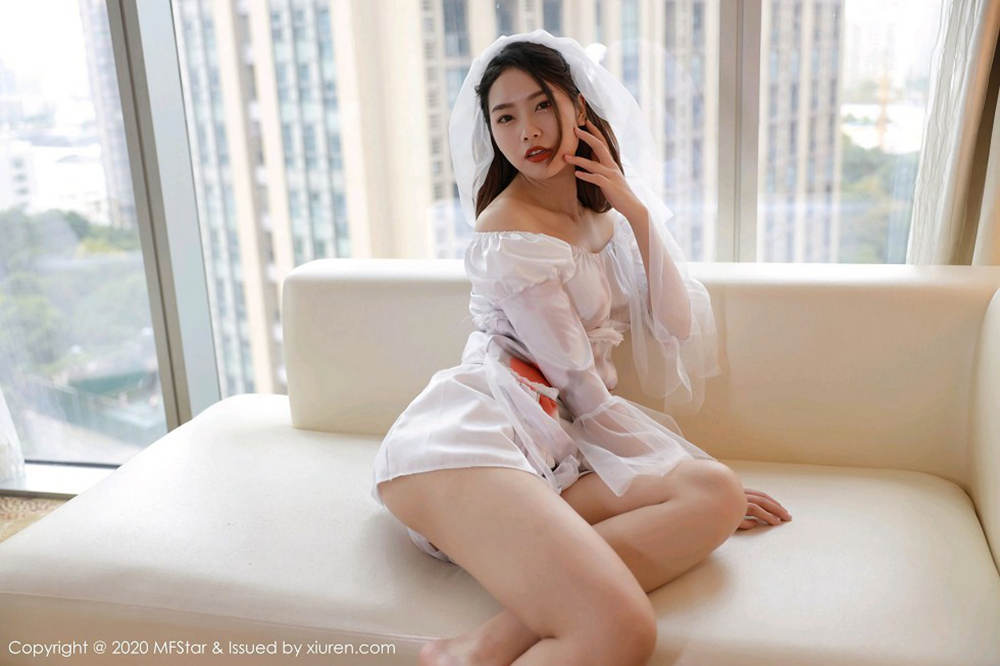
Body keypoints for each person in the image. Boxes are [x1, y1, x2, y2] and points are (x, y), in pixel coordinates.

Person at [371, 30, 791, 666]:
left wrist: (637, 214)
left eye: (542, 105)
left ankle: (483, 645)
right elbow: (579, 385)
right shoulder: (509, 227)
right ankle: (486, 645)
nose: (528, 132)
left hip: (546, 450)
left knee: (717, 492)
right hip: (469, 444)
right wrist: (662, 471)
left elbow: (675, 323)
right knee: (622, 629)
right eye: (505, 117)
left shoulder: (604, 221)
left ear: (579, 107)